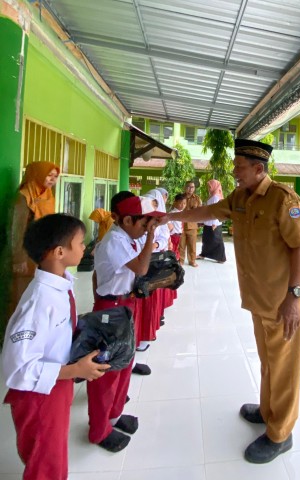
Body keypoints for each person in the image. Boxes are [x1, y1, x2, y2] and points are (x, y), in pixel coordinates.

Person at [163, 139, 300, 464]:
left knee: (284, 367)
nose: (234, 172)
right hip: (259, 297)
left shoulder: (283, 200)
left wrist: (294, 297)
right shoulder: (240, 197)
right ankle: (268, 409)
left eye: (239, 167)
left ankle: (280, 434)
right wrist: (169, 216)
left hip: (282, 300)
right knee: (268, 360)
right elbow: (206, 211)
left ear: (258, 169)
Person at [2, 213, 109, 480]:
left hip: (56, 386)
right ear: (60, 252)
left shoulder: (62, 284)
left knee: (53, 453)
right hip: (38, 397)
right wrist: (75, 371)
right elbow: (18, 370)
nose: (84, 247)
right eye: (80, 242)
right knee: (45, 462)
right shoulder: (39, 302)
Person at [88, 195, 163, 453]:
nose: (146, 229)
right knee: (106, 374)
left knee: (124, 365)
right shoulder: (114, 241)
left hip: (124, 306)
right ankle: (99, 430)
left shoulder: (126, 238)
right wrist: (151, 238)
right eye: (144, 223)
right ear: (128, 220)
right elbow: (141, 268)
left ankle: (114, 415)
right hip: (111, 311)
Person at [9, 161, 60, 315]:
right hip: (26, 255)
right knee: (23, 296)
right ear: (37, 175)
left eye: (55, 176)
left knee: (40, 294)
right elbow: (17, 230)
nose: (52, 180)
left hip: (43, 252)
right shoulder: (23, 197)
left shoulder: (47, 195)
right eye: (48, 175)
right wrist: (19, 258)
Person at [197, 179, 226, 263]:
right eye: (208, 187)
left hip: (213, 223)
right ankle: (204, 254)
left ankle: (221, 258)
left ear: (214, 186)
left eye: (210, 186)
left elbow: (216, 211)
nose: (208, 188)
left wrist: (214, 223)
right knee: (206, 240)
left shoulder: (215, 197)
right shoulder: (212, 195)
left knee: (217, 241)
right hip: (209, 222)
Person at [178, 180, 202, 267]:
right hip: (181, 225)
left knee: (192, 245)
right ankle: (181, 260)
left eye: (192, 187)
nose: (190, 189)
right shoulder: (180, 197)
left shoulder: (197, 198)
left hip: (192, 225)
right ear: (185, 187)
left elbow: (200, 211)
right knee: (181, 244)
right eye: (189, 187)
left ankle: (192, 261)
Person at [169, 193, 186, 259]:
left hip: (179, 235)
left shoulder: (182, 213)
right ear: (175, 202)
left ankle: (176, 261)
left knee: (177, 250)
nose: (183, 205)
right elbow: (169, 226)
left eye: (184, 203)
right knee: (172, 250)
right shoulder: (172, 214)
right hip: (173, 236)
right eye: (180, 203)